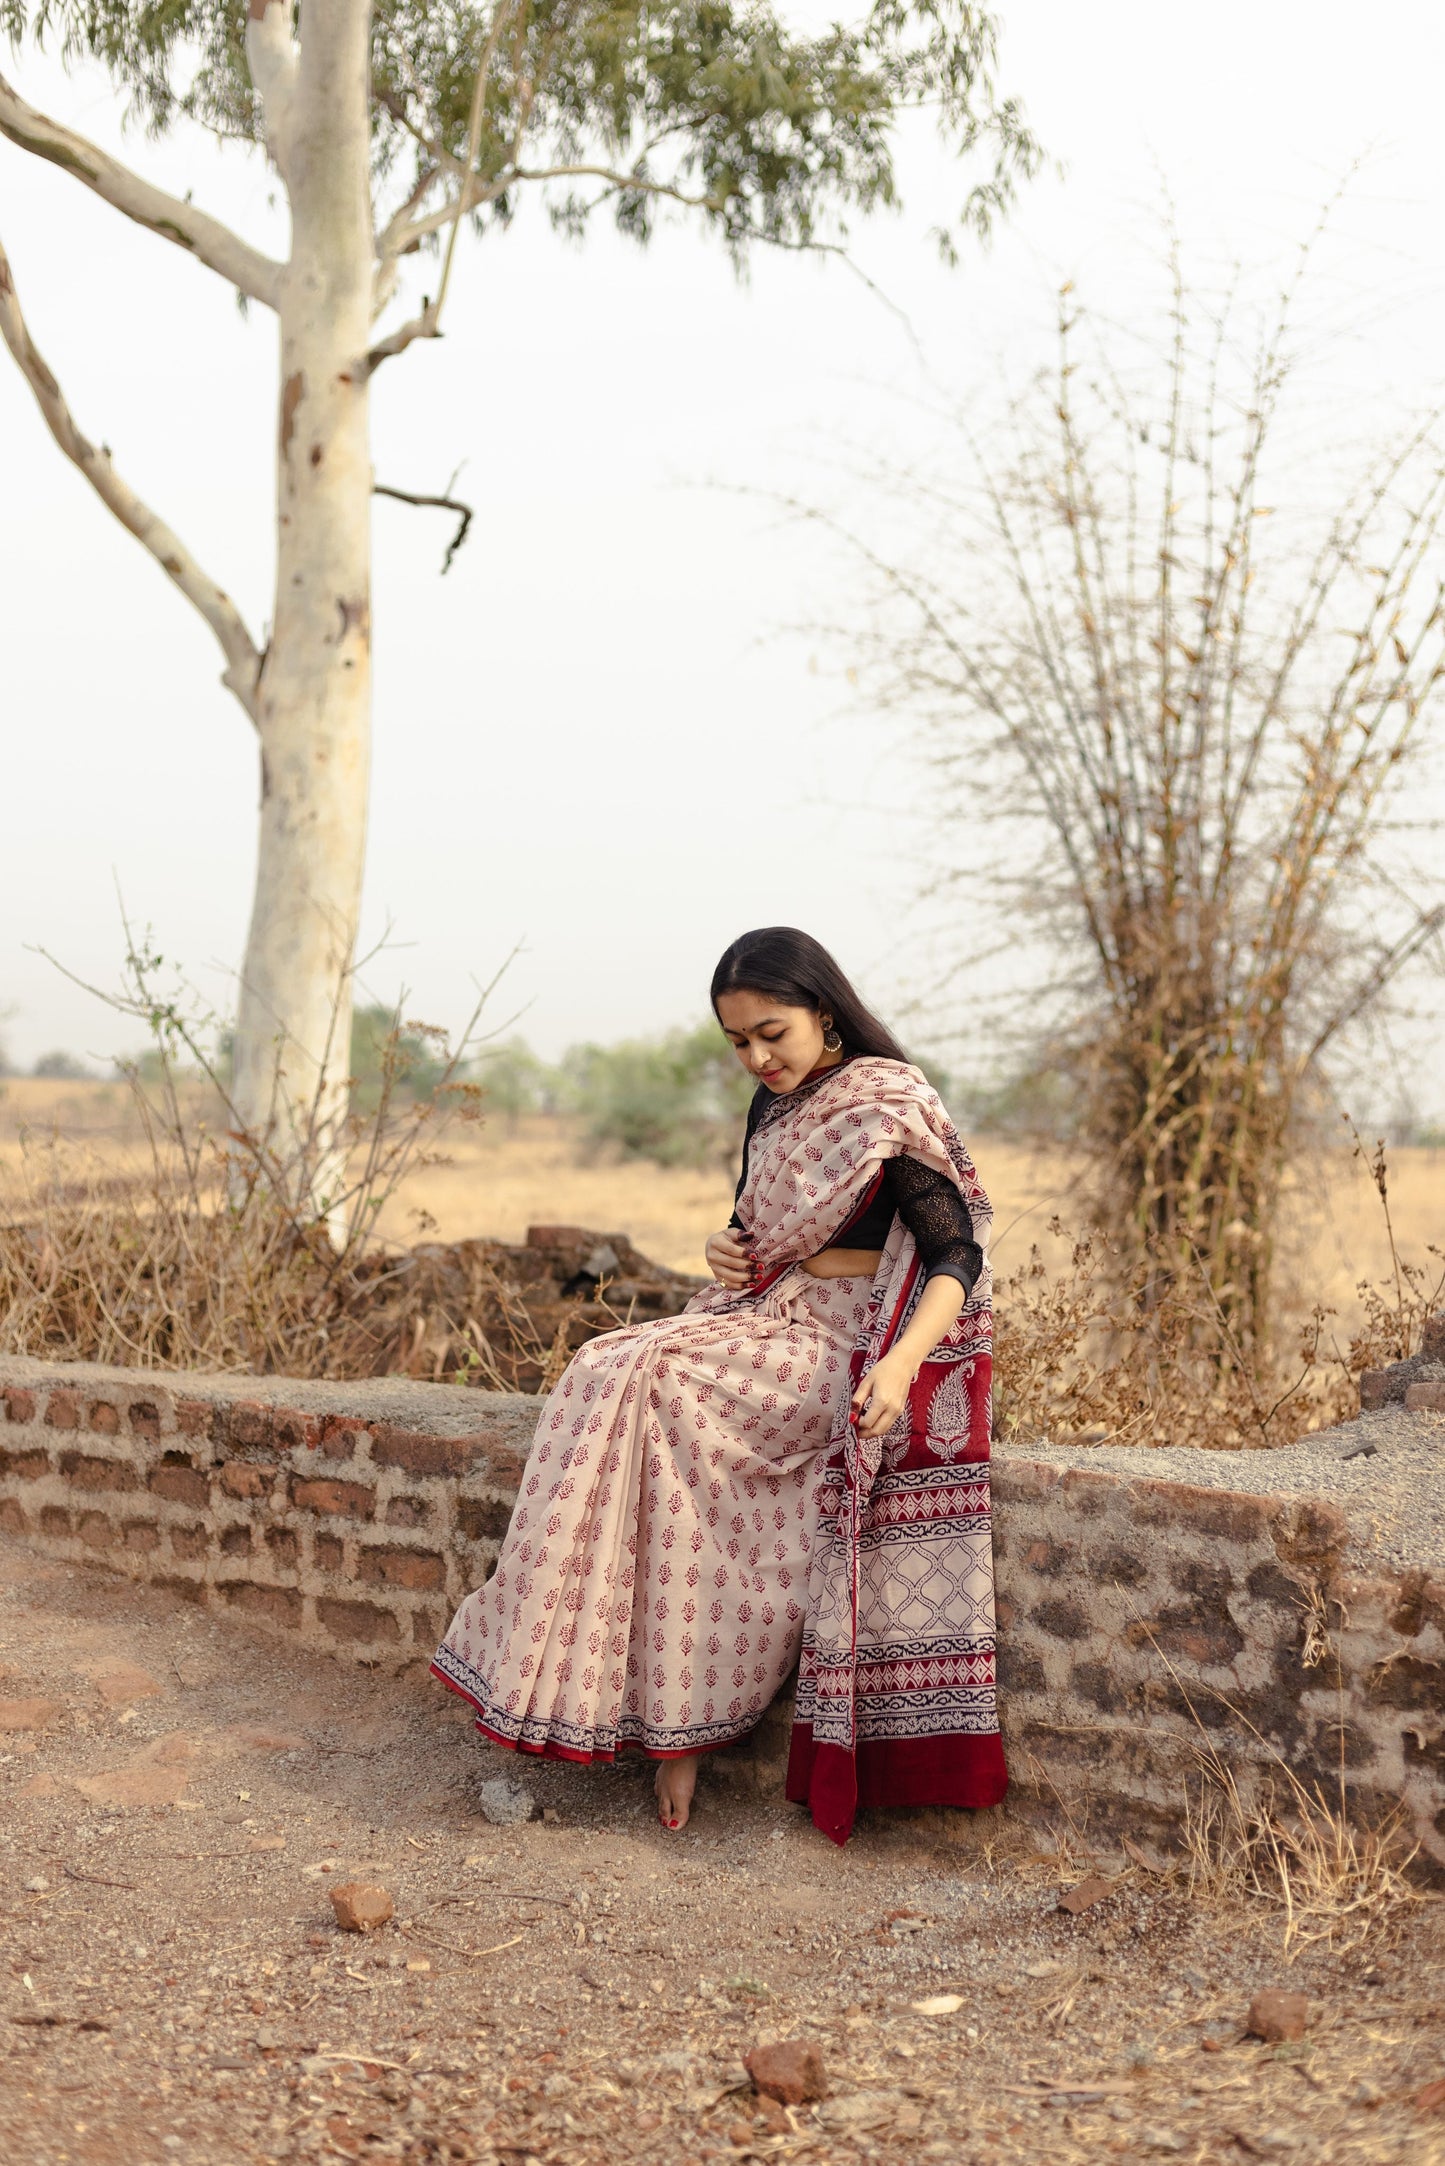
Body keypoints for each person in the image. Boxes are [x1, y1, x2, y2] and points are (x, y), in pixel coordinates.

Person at [432, 928, 1006, 1845]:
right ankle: (628, 1708)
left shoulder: (886, 1104)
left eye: (772, 1033)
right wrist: (723, 1249)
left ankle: (674, 1726)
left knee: (646, 1370)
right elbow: (752, 1230)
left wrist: (899, 1365)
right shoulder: (769, 1109)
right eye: (738, 1042)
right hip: (763, 1316)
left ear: (825, 1011)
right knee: (602, 1368)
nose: (758, 1057)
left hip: (843, 1345)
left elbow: (955, 1257)